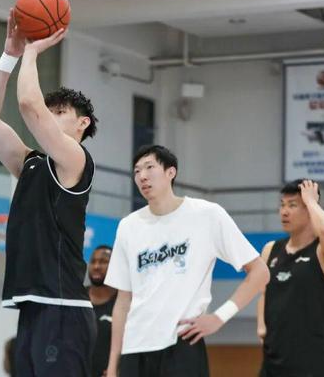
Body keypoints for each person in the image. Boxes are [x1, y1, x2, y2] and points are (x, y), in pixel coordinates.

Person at [0, 11, 98, 376]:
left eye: (59, 111)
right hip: (34, 307)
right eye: (50, 110)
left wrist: (31, 50)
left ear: (82, 123)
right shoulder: (30, 163)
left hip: (63, 308)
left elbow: (29, 105)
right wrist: (8, 56)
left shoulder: (75, 159)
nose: (50, 115)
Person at [105, 145, 270, 377]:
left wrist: (220, 317)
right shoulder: (128, 226)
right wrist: (113, 364)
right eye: (137, 171)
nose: (142, 176)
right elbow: (123, 301)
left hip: (182, 343)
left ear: (170, 172)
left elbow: (260, 272)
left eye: (149, 167)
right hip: (135, 348)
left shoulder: (207, 214)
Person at [257, 179, 324, 377]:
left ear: (310, 210)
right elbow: (264, 292)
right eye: (282, 205)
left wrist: (311, 201)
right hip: (273, 364)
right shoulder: (270, 250)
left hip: (314, 364)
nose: (284, 211)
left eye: (292, 205)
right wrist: (261, 327)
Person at [88, 245, 118, 377]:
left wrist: (119, 369)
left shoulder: (124, 304)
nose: (96, 266)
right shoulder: (77, 299)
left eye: (103, 261)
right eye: (93, 261)